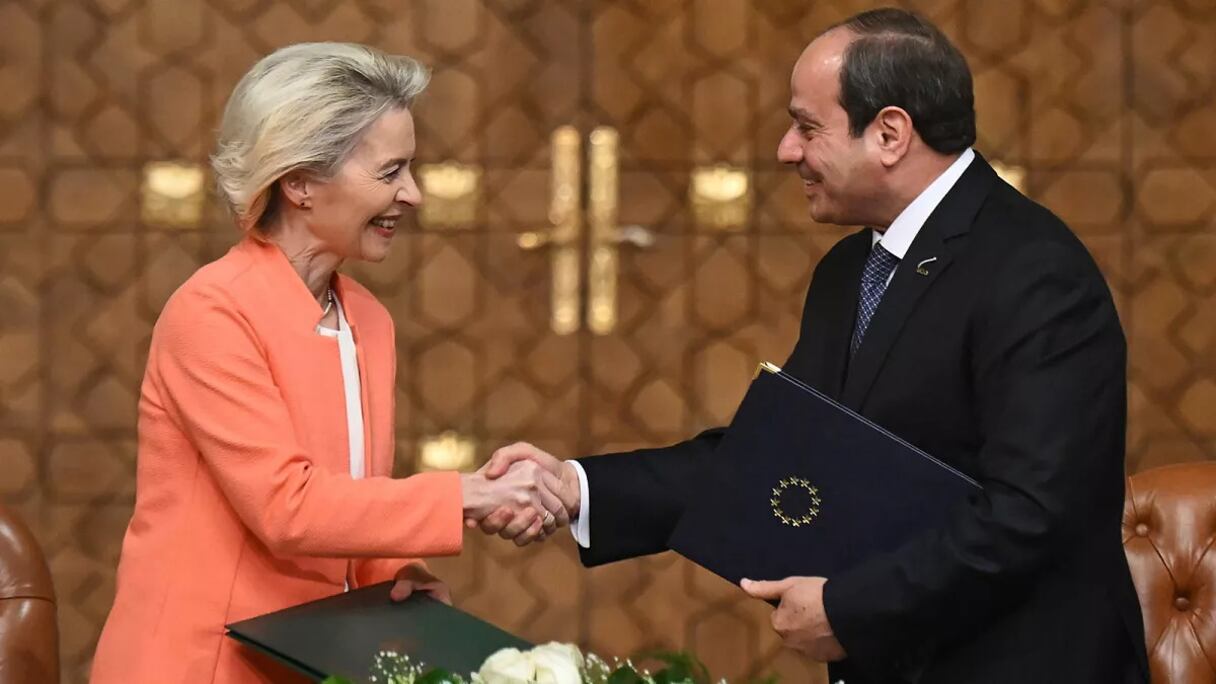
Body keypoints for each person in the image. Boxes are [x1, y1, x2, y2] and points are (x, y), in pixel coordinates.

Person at [479, 8, 1150, 683]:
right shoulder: (851, 269)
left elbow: (1031, 514)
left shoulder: (1033, 271)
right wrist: (577, 487)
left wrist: (850, 609)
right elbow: (773, 457)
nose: (785, 150)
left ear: (889, 133)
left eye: (807, 127)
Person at [91, 43, 566, 683]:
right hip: (198, 665)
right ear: (299, 183)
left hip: (309, 660)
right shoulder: (210, 312)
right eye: (390, 171)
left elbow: (352, 498)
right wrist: (468, 495)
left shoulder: (368, 317)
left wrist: (393, 573)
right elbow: (287, 508)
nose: (413, 194)